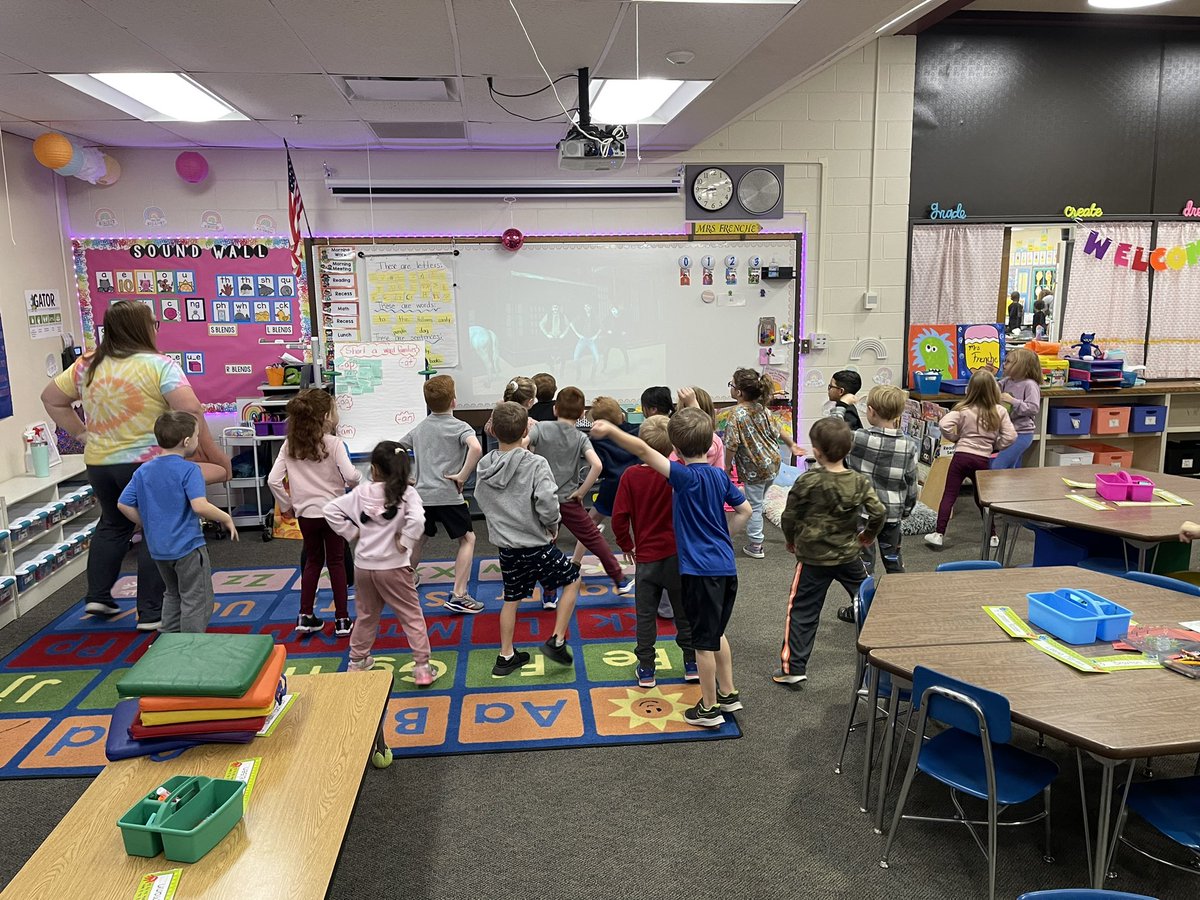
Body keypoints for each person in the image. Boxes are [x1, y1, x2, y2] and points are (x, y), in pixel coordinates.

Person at [40, 300, 226, 631]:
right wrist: (207, 451)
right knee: (157, 528)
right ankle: (151, 611)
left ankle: (97, 595)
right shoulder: (158, 365)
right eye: (154, 323)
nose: (157, 329)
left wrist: (83, 434)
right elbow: (190, 408)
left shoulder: (88, 364)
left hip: (100, 463)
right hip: (147, 462)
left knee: (112, 523)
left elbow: (51, 398)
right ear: (142, 327)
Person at [591, 392, 752, 728]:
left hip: (699, 571)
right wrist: (726, 537)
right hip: (726, 567)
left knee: (703, 643)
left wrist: (611, 430)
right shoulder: (719, 475)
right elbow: (745, 511)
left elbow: (642, 451)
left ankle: (709, 708)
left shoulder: (684, 476)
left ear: (676, 451)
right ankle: (729, 692)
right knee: (717, 632)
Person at [473, 401, 581, 676]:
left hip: (507, 547)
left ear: (493, 430)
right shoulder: (535, 463)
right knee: (573, 579)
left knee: (512, 598)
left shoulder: (485, 464)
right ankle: (557, 640)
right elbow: (547, 502)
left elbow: (481, 498)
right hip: (536, 543)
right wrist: (552, 526)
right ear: (525, 431)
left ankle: (505, 656)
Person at [777, 417, 886, 686]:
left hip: (812, 558)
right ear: (848, 450)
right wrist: (868, 535)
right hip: (849, 555)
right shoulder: (859, 481)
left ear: (816, 451)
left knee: (802, 610)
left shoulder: (807, 480)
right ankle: (886, 655)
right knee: (870, 602)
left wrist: (791, 540)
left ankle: (794, 669)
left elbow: (789, 515)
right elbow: (879, 512)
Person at [116, 411, 238, 633]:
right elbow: (199, 505)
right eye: (198, 436)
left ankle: (169, 642)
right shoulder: (190, 470)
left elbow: (123, 504)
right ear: (187, 441)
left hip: (159, 548)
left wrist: (147, 524)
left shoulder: (144, 470)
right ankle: (191, 645)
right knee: (196, 598)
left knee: (172, 593)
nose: (198, 440)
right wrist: (226, 517)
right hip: (187, 547)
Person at [324, 441, 434, 684]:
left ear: (373, 469)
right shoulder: (408, 493)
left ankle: (357, 662)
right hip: (394, 568)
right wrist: (404, 541)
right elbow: (418, 520)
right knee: (411, 616)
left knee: (366, 615)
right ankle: (422, 667)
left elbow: (330, 510)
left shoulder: (362, 492)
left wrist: (352, 533)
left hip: (364, 567)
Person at [610, 415, 698, 688]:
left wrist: (626, 544)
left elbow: (619, 517)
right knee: (683, 611)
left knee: (645, 615)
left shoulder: (631, 476)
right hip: (678, 557)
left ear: (640, 444)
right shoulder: (681, 472)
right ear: (672, 445)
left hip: (647, 559)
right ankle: (691, 663)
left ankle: (647, 668)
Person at [268, 388, 361, 636]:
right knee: (337, 562)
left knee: (313, 562)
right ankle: (342, 619)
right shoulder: (334, 443)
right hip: (333, 512)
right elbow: (351, 475)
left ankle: (305, 614)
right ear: (326, 416)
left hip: (306, 514)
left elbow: (273, 480)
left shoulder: (289, 445)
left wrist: (287, 504)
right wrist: (356, 482)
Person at [530, 387, 633, 603]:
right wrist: (581, 492)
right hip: (569, 499)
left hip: (541, 499)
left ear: (555, 409)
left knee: (547, 545)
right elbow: (596, 465)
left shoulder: (541, 428)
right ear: (582, 415)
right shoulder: (580, 437)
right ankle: (620, 580)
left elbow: (521, 446)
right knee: (593, 538)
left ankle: (549, 594)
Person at [398, 375, 484, 614]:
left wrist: (404, 477)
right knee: (468, 539)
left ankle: (407, 579)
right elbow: (476, 447)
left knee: (420, 537)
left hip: (423, 495)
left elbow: (395, 448)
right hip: (448, 495)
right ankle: (459, 594)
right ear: (454, 402)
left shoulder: (420, 428)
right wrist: (462, 475)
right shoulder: (460, 427)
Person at [924, 369, 1016, 549]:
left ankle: (939, 534)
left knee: (949, 494)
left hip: (961, 457)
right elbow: (1011, 436)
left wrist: (955, 438)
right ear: (994, 390)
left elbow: (944, 424)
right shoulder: (999, 411)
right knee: (982, 498)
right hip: (982, 460)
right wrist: (996, 445)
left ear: (970, 389)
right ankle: (992, 536)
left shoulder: (963, 409)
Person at [845, 385, 918, 608]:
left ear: (870, 411)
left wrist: (843, 406)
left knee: (864, 562)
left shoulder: (858, 439)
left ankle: (862, 607)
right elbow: (911, 482)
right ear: (899, 414)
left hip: (863, 514)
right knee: (894, 558)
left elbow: (833, 429)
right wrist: (907, 509)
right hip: (892, 513)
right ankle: (897, 604)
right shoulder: (909, 445)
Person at [723, 368, 804, 560]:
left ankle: (756, 545)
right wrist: (792, 444)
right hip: (773, 464)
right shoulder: (763, 409)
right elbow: (780, 431)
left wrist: (726, 466)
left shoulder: (736, 414)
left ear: (739, 392)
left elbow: (731, 444)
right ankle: (762, 532)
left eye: (731, 385)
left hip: (754, 469)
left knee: (754, 506)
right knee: (759, 498)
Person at [571, 396, 638, 567]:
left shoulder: (597, 441)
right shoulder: (636, 430)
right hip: (635, 484)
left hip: (612, 486)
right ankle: (643, 563)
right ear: (620, 414)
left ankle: (575, 562)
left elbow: (598, 466)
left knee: (590, 522)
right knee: (639, 524)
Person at [993, 348, 1042, 470]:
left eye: (1008, 362)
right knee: (1012, 469)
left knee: (997, 467)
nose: (1004, 364)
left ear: (1021, 365)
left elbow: (1033, 408)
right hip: (1008, 432)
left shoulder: (1030, 385)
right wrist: (990, 374)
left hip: (1021, 433)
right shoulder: (1007, 381)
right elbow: (991, 389)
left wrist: (1012, 401)